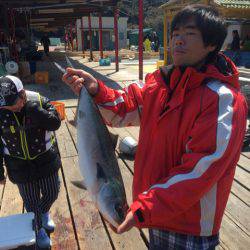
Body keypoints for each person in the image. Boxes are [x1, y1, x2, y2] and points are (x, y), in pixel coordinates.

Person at [62, 5, 247, 250]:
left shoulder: (223, 99)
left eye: (190, 33)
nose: (178, 40)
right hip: (155, 213)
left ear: (212, 44)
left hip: (190, 227)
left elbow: (198, 172)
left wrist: (144, 208)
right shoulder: (158, 84)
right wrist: (96, 90)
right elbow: (122, 109)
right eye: (175, 33)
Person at [0, 75, 61, 248]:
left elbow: (55, 123)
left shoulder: (39, 101)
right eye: (7, 105)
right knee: (31, 201)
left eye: (15, 102)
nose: (13, 107)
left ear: (23, 93)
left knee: (52, 192)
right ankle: (38, 228)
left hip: (46, 161)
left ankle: (43, 214)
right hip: (18, 167)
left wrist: (33, 110)